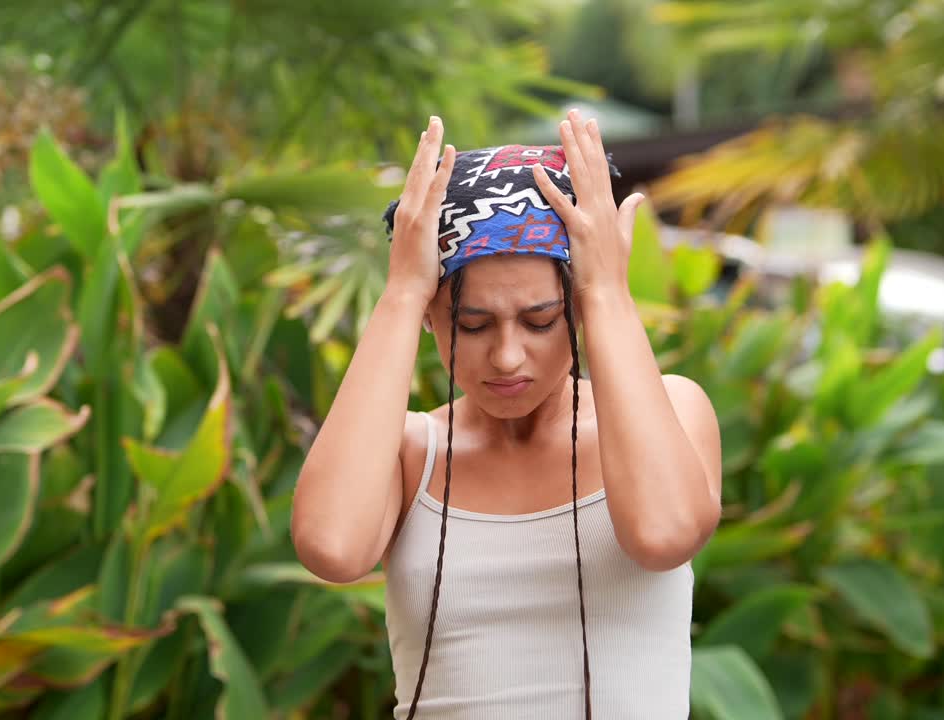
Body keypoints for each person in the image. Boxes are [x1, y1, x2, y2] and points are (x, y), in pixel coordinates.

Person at [291, 111, 722, 719]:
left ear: (572, 309)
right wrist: (400, 294)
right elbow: (331, 548)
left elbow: (662, 534)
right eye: (473, 324)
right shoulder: (412, 451)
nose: (508, 356)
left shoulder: (675, 410)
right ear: (432, 318)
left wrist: (606, 293)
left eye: (541, 320)